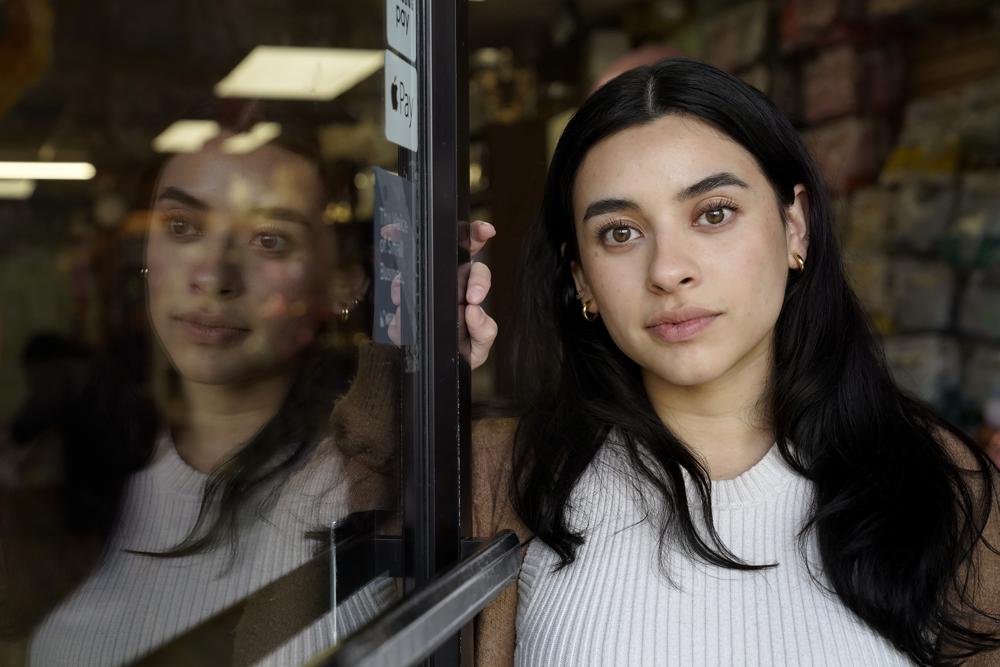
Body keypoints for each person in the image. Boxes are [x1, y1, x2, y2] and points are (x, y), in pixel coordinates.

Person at [468, 58, 1000, 666]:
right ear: (582, 278)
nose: (669, 270)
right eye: (620, 232)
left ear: (794, 226)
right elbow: (338, 550)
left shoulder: (941, 481)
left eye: (713, 213)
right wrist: (408, 352)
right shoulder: (503, 478)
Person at [23, 102, 498, 666]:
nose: (214, 276)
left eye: (269, 240)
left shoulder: (356, 487)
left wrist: (420, 347)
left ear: (342, 280)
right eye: (182, 227)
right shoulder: (86, 466)